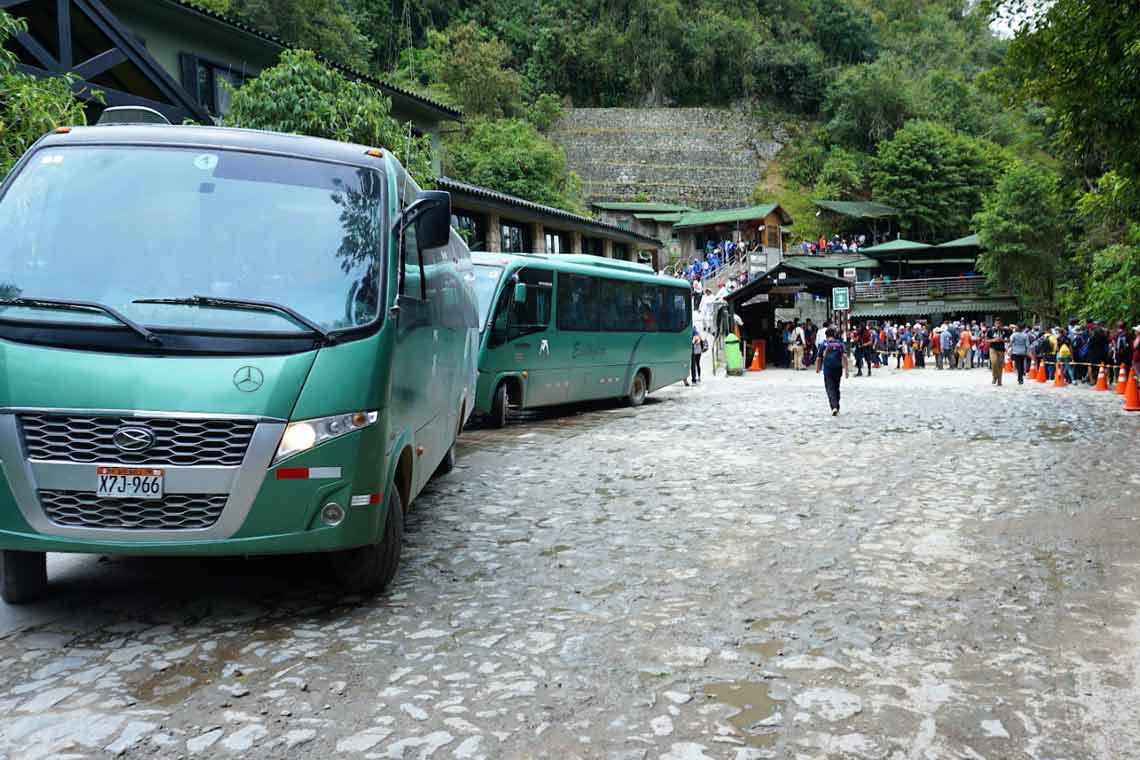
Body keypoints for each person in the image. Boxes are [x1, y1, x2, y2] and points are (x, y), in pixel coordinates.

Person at [816, 327, 849, 416]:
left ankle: (834, 407)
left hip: (828, 370)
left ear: (826, 336)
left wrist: (818, 369)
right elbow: (845, 357)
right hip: (838, 369)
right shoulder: (840, 344)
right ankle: (837, 406)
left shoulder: (824, 344)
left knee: (830, 388)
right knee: (836, 387)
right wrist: (846, 370)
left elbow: (819, 358)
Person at [986, 318, 1009, 386]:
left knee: (1000, 366)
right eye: (996, 323)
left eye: (999, 323)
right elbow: (986, 340)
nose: (998, 325)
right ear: (994, 323)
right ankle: (994, 376)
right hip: (993, 348)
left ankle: (999, 380)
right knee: (994, 362)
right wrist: (994, 340)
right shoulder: (991, 330)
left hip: (1001, 349)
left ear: (1001, 324)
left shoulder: (1005, 331)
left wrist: (1003, 340)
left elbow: (1009, 340)